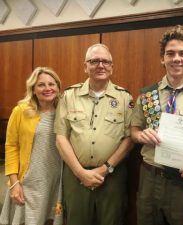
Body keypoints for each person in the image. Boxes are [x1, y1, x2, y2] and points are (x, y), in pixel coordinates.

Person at [131, 25, 183, 225]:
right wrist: (140, 136)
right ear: (163, 58)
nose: (176, 58)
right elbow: (133, 130)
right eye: (170, 54)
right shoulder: (147, 94)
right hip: (149, 177)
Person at [54, 43, 133, 225]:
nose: (100, 65)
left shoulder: (125, 98)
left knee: (111, 221)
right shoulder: (68, 96)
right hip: (75, 176)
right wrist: (80, 172)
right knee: (76, 220)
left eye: (105, 61)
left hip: (112, 176)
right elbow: (60, 137)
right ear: (85, 66)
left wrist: (105, 169)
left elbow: (129, 140)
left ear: (112, 67)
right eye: (94, 61)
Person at [0, 67, 63, 225]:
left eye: (52, 84)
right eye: (41, 85)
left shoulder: (65, 111)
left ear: (58, 87)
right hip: (28, 183)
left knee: (51, 220)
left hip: (57, 182)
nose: (48, 88)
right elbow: (11, 147)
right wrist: (14, 183)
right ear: (33, 89)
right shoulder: (21, 111)